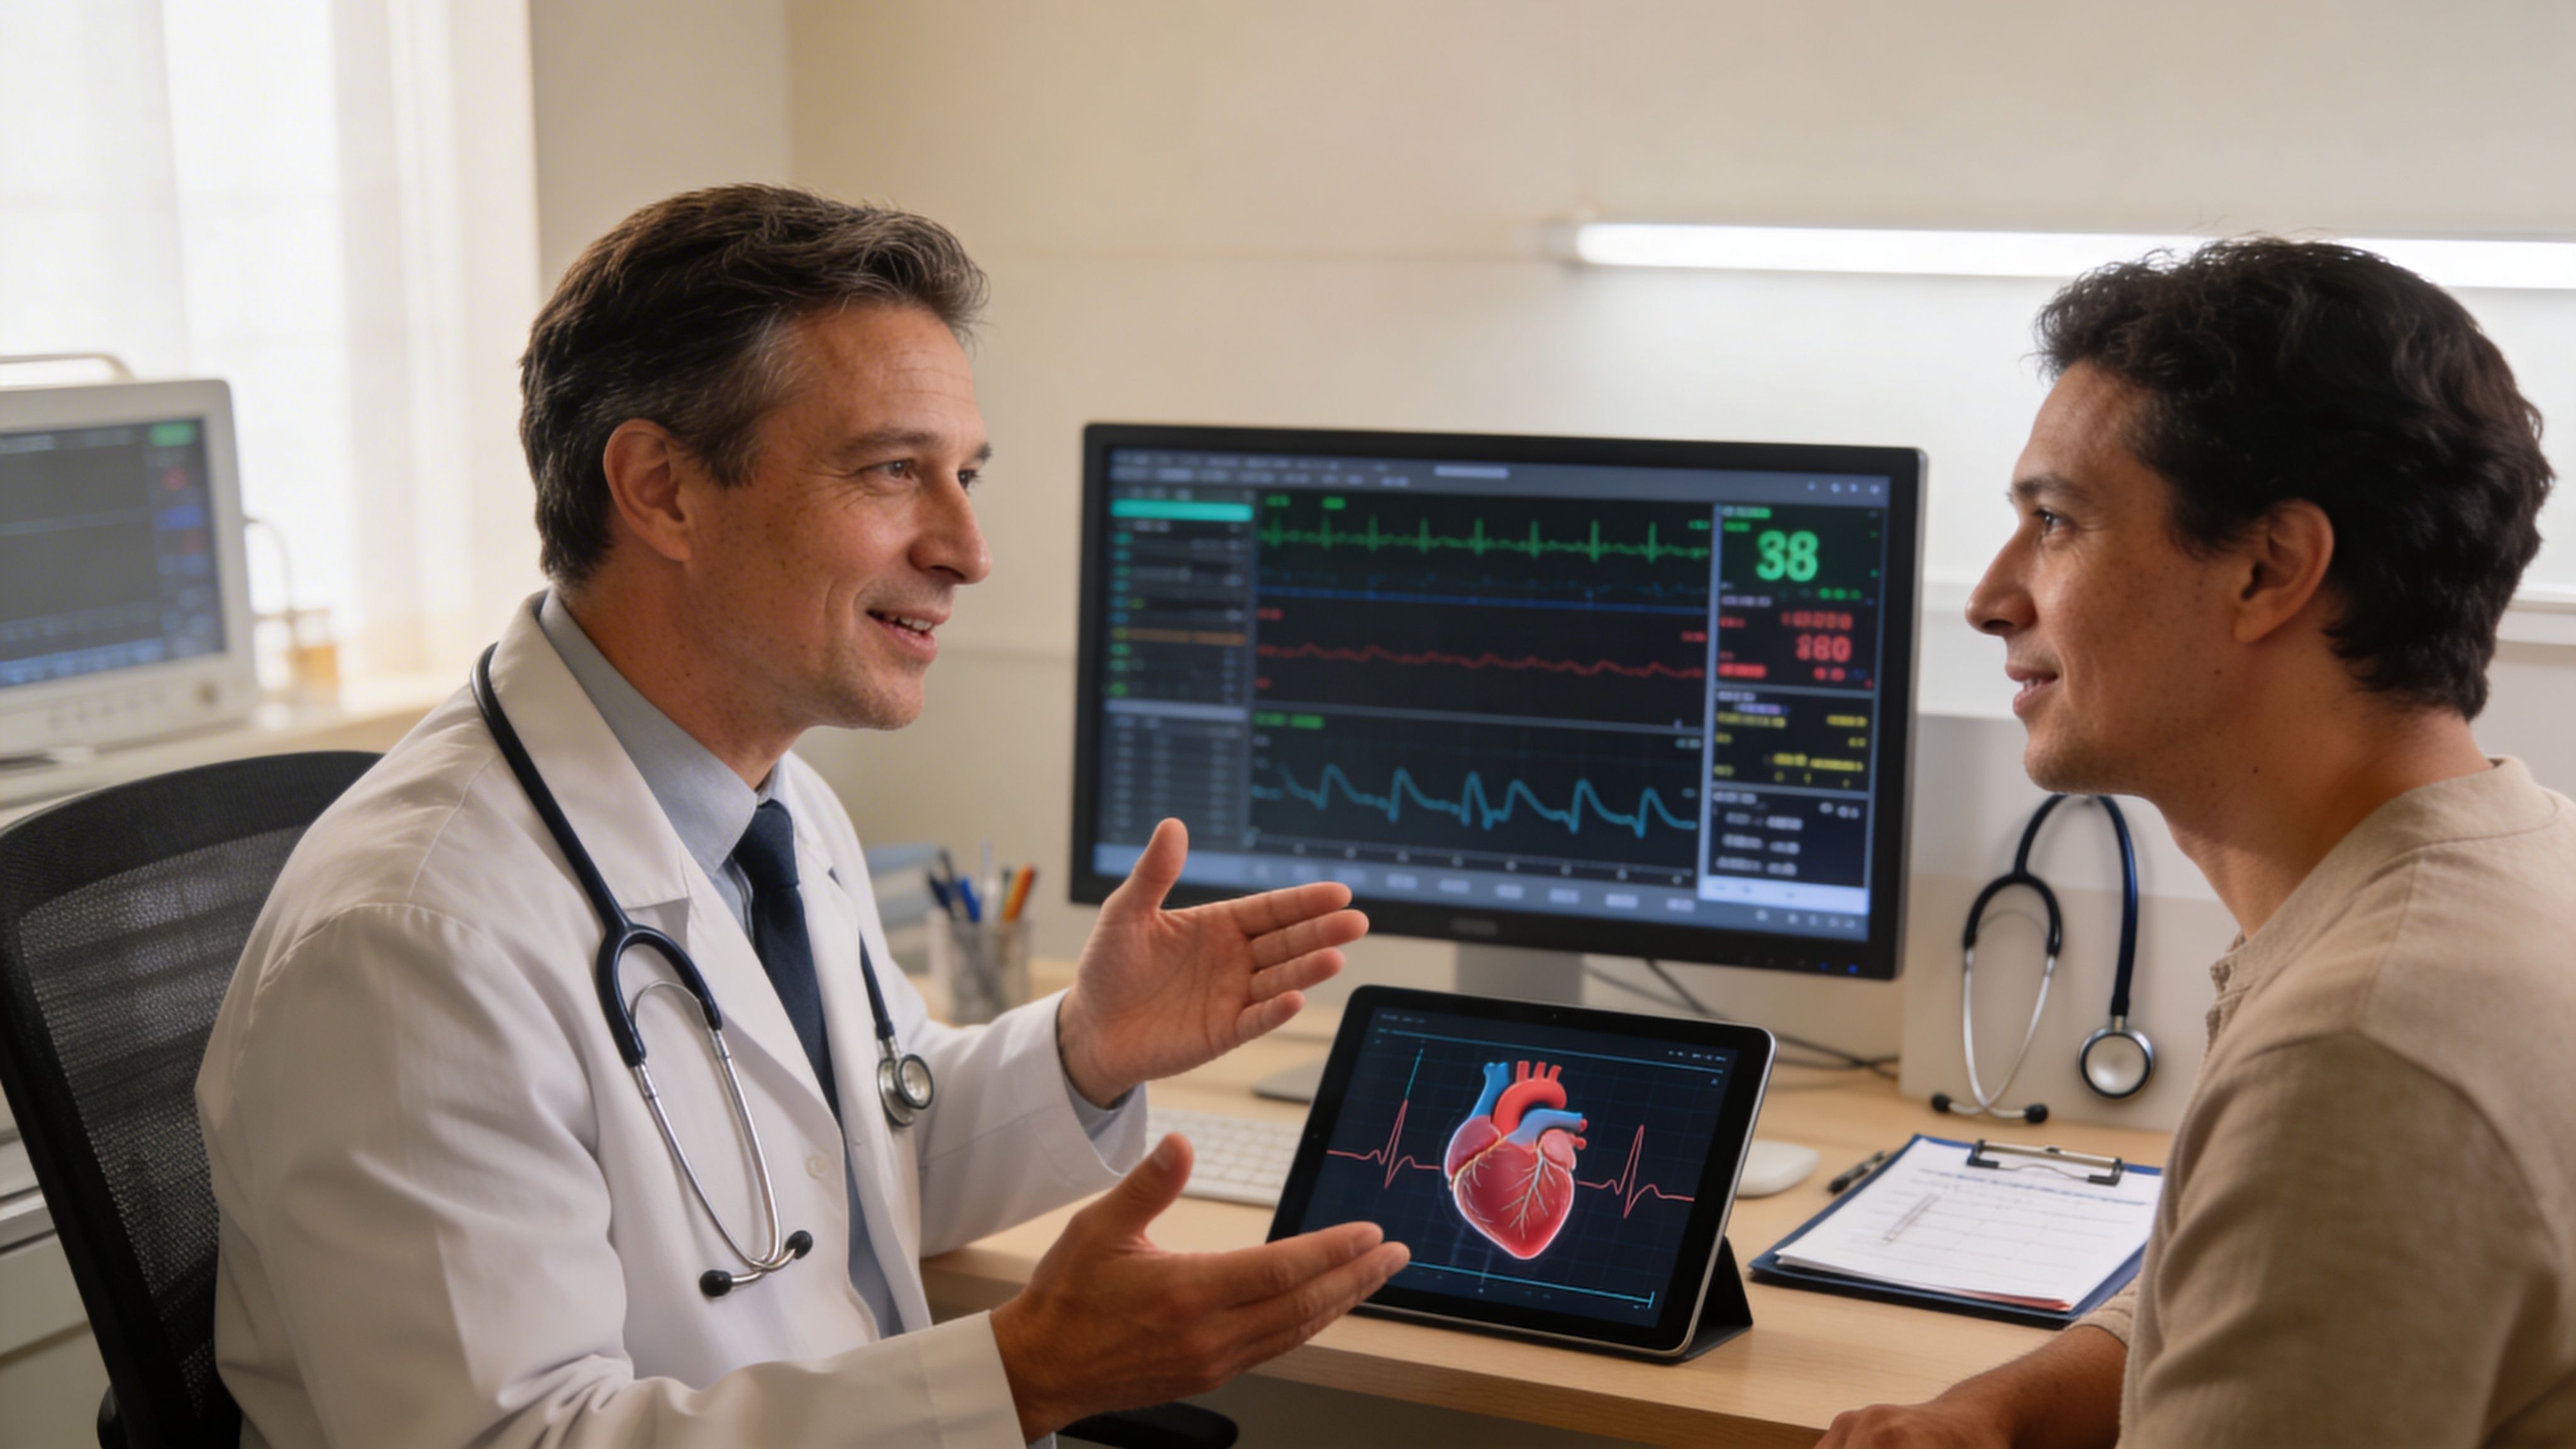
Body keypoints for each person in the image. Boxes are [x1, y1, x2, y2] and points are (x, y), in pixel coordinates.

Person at [196, 184, 1408, 1449]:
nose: (967, 549)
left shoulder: (766, 802)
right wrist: (1022, 1376)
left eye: (966, 475)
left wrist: (1084, 1047)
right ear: (661, 489)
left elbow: (850, 1166)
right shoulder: (413, 945)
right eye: (892, 470)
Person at [1822, 239, 2571, 1447]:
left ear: (2269, 569)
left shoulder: (2362, 1053)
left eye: (2056, 521)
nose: (1991, 596)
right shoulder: (2515, 861)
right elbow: (2252, 1287)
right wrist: (1993, 1414)